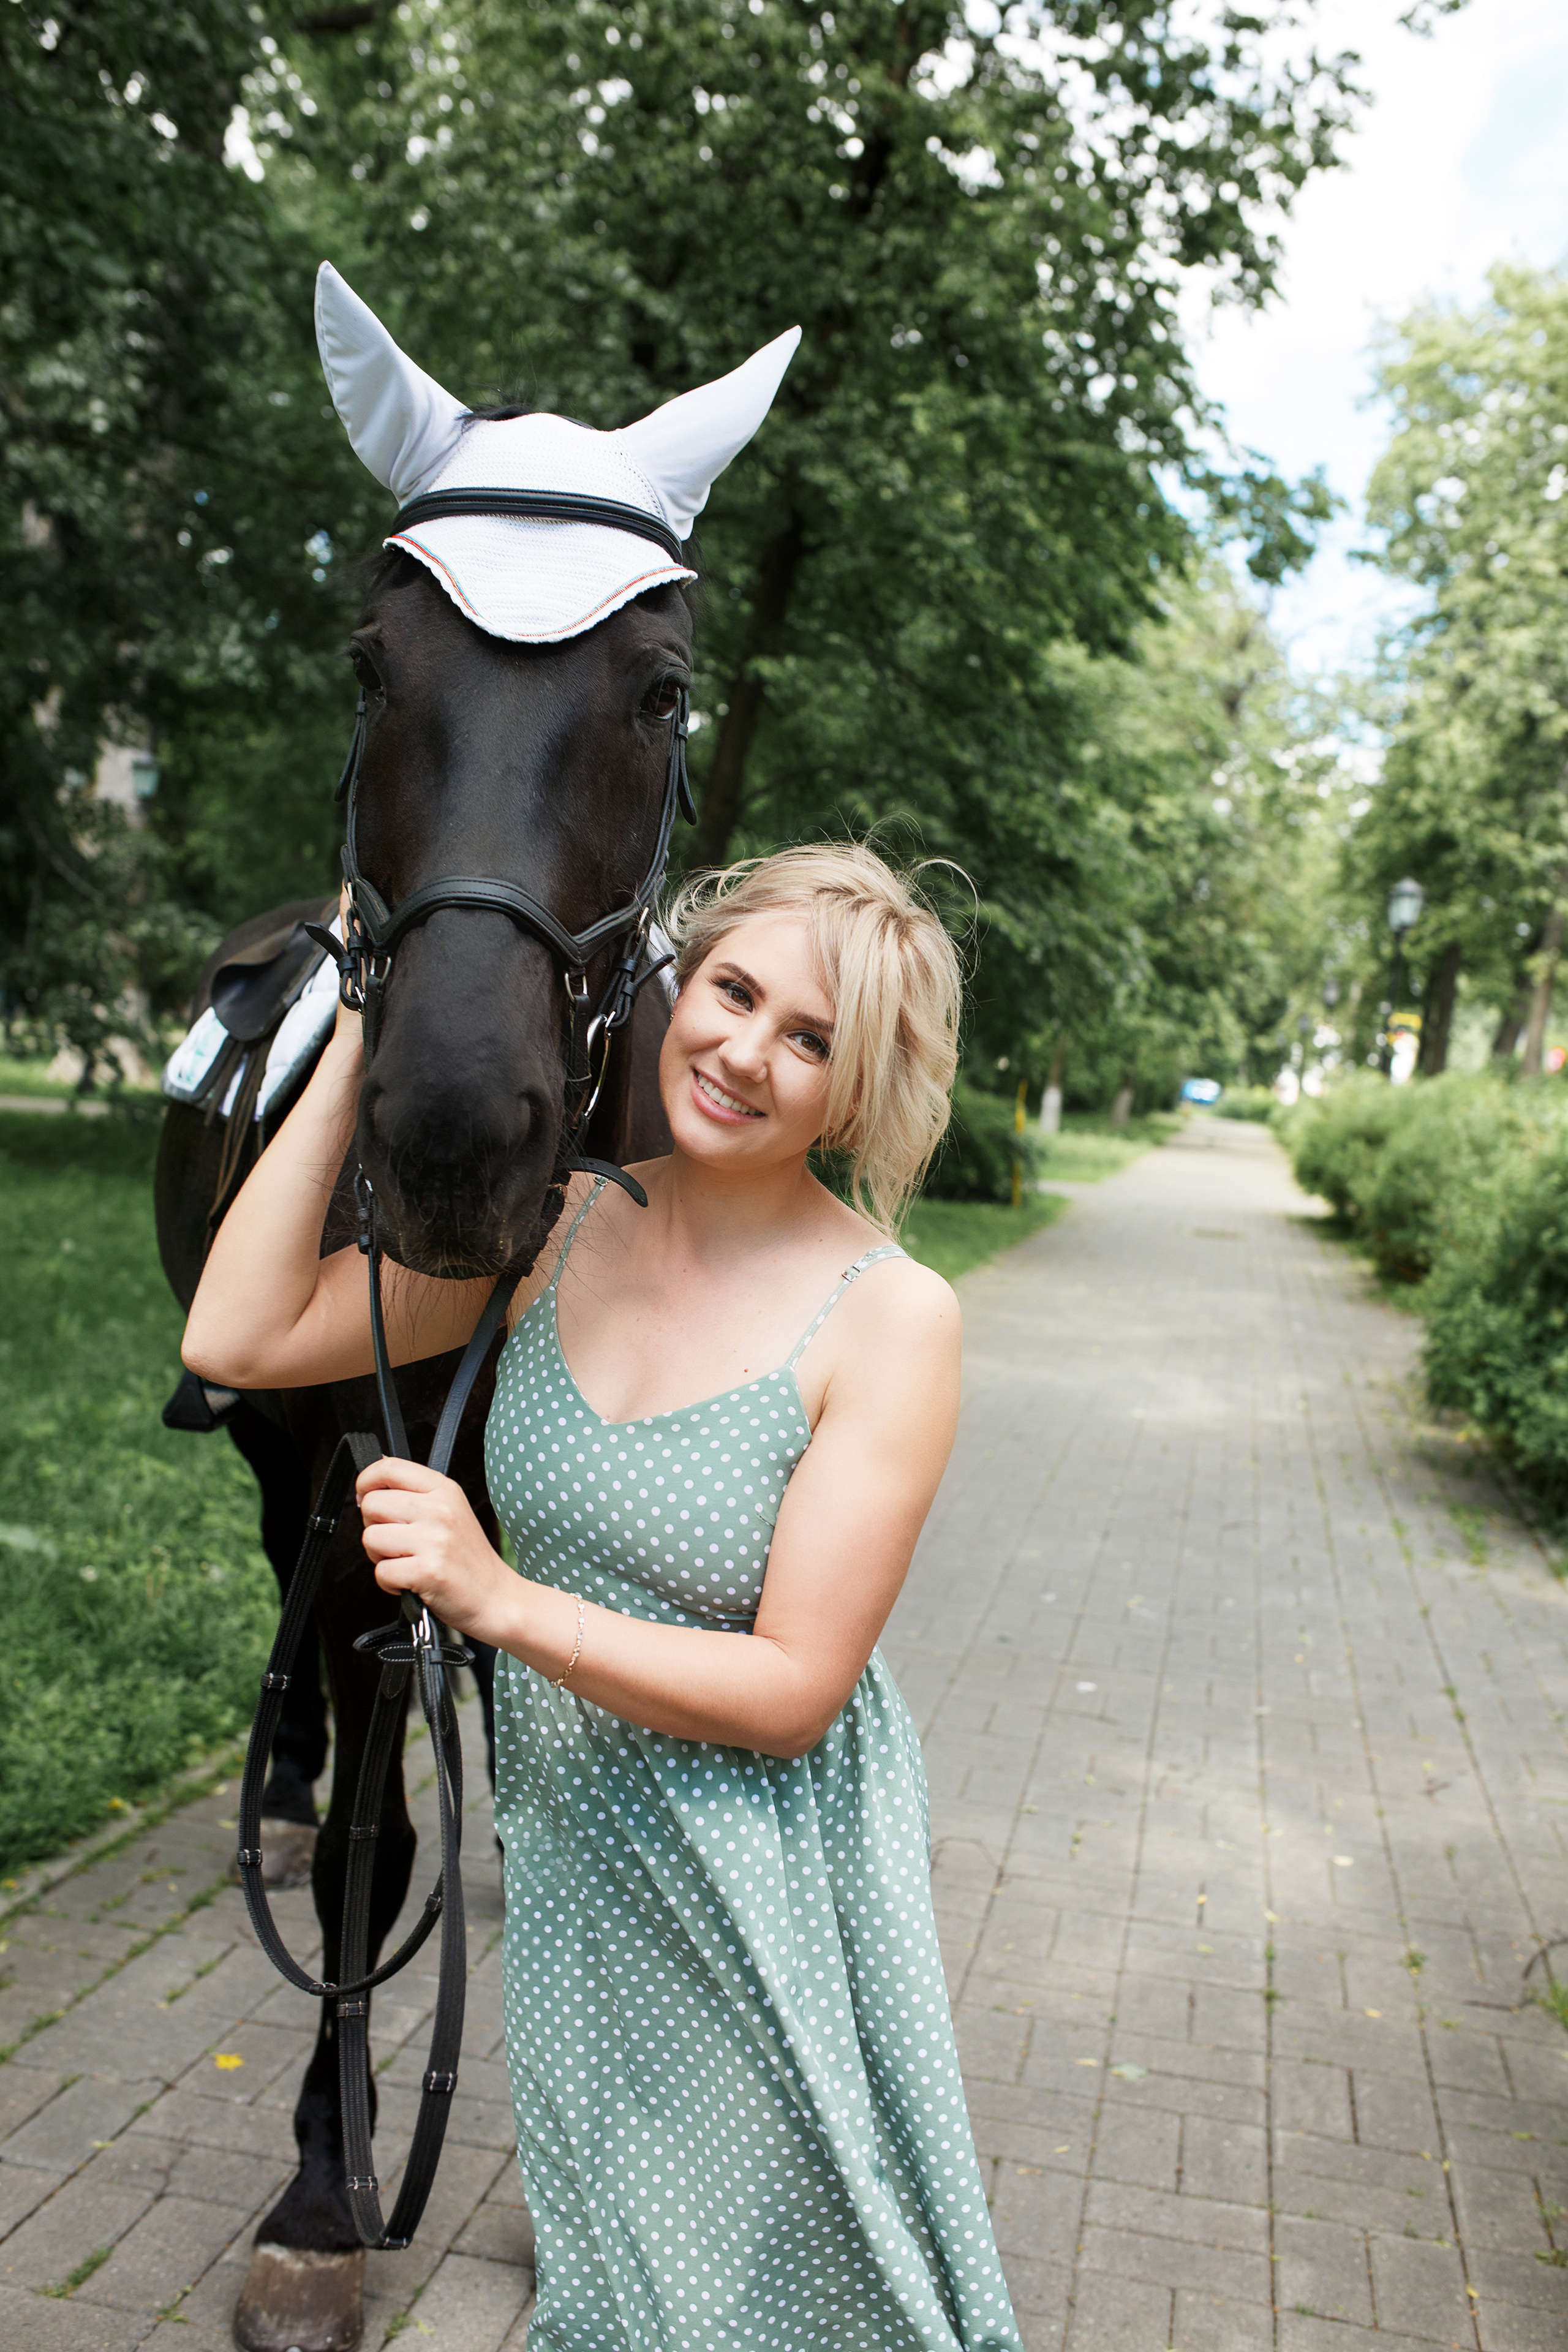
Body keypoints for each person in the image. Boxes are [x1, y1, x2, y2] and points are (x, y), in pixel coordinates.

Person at [184, 840, 1023, 2352]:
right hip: (578, 1885)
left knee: (769, 2299)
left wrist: (495, 1599)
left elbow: (790, 1696)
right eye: (732, 992)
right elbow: (240, 1332)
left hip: (761, 1893)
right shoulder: (556, 1229)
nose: (745, 1053)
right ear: (673, 987)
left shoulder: (891, 1320)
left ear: (864, 1086)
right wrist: (375, 1012)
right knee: (617, 2282)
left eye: (811, 1038)